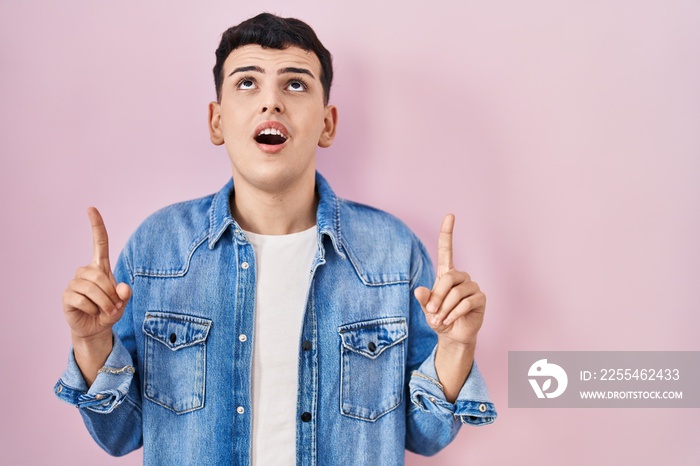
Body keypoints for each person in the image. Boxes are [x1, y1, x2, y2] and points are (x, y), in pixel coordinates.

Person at [55, 13, 496, 465]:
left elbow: (427, 436)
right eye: (247, 83)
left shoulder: (392, 252)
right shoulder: (157, 248)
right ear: (217, 121)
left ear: (327, 124)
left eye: (296, 84)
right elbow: (120, 434)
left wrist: (457, 345)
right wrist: (91, 342)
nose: (271, 102)